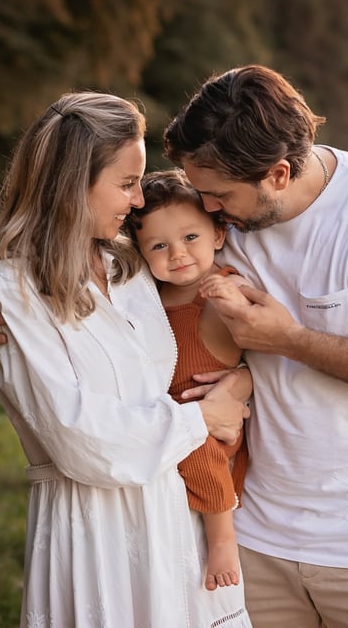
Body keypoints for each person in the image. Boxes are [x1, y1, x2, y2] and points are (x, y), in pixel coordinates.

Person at [0, 65, 348, 628]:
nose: (204, 211)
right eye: (198, 192)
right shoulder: (194, 227)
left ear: (276, 175)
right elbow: (81, 252)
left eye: (216, 198)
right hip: (243, 535)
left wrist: (288, 342)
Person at [0, 91, 253, 627]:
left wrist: (239, 380)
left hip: (177, 517)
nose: (137, 201)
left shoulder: (129, 263)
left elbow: (190, 333)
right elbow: (78, 438)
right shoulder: (13, 287)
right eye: (126, 184)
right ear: (69, 185)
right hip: (92, 532)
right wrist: (201, 418)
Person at [127, 169, 252, 592]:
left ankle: (223, 539)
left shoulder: (223, 286)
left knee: (194, 442)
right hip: (167, 421)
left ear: (218, 234)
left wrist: (242, 380)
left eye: (190, 238)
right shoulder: (145, 298)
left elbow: (260, 348)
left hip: (211, 429)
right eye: (159, 246)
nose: (177, 253)